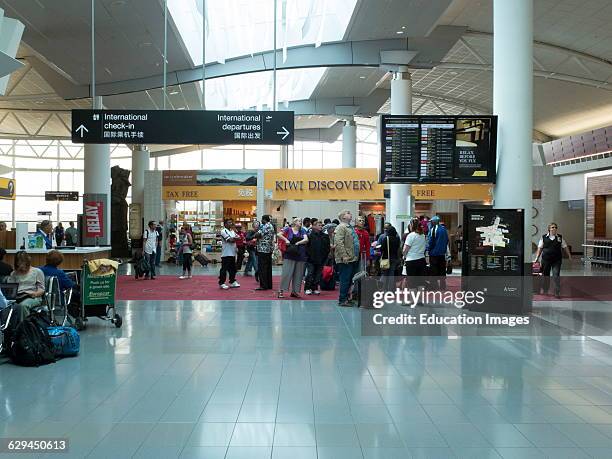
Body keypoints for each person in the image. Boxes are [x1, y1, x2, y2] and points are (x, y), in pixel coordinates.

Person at [534, 222, 572, 298]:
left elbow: (565, 247)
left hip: (556, 260)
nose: (554, 229)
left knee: (556, 275)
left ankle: (557, 292)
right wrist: (537, 258)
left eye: (555, 227)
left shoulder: (560, 238)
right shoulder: (544, 237)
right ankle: (545, 289)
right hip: (546, 260)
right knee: (546, 275)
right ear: (549, 229)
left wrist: (569, 256)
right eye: (552, 227)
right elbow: (540, 248)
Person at [7, 251, 45, 323]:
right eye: (19, 264)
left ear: (27, 262)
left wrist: (35, 294)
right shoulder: (14, 273)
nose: (21, 266)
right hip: (18, 296)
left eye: (22, 264)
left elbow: (41, 289)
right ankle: (8, 329)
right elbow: (11, 288)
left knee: (23, 306)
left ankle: (25, 328)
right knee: (5, 306)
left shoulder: (37, 272)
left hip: (32, 296)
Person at [277, 218, 309, 298]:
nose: (300, 222)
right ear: (294, 222)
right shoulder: (288, 229)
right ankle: (281, 290)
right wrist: (286, 240)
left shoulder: (302, 230)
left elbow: (306, 239)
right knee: (286, 273)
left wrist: (298, 242)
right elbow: (278, 234)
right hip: (289, 254)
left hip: (300, 254)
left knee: (299, 274)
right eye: (299, 221)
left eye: (301, 221)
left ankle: (295, 291)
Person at [334, 210, 360, 307]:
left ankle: (346, 297)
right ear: (343, 217)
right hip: (346, 258)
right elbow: (339, 242)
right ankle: (342, 299)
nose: (350, 214)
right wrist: (344, 255)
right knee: (345, 279)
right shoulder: (341, 227)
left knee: (349, 279)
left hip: (352, 257)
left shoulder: (350, 227)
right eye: (348, 213)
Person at [304, 220, 330, 295]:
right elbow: (306, 247)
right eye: (319, 225)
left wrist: (325, 256)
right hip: (311, 259)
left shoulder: (325, 236)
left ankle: (314, 288)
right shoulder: (309, 236)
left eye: (321, 225)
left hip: (321, 259)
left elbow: (327, 247)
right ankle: (307, 288)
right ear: (314, 226)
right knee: (310, 273)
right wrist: (308, 256)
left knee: (318, 274)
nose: (321, 226)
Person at [403, 218, 427, 289]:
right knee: (420, 281)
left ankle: (413, 299)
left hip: (411, 261)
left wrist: (405, 256)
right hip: (421, 260)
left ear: (411, 225)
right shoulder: (422, 235)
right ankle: (419, 298)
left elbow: (405, 250)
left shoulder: (410, 236)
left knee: (412, 282)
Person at [427, 215, 449, 289]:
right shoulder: (443, 229)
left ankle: (434, 286)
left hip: (434, 253)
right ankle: (443, 285)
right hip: (442, 253)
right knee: (442, 269)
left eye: (431, 222)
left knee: (434, 270)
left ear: (434, 222)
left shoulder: (433, 229)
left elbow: (431, 241)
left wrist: (428, 249)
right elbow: (447, 241)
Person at [254, 215, 275, 291]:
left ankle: (263, 285)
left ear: (264, 219)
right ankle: (268, 284)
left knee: (262, 268)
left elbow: (257, 235)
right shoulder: (271, 226)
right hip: (268, 249)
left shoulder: (265, 226)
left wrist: (256, 234)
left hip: (263, 249)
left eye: (262, 219)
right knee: (268, 268)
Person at [378, 225, 401, 291]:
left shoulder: (386, 238)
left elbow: (382, 249)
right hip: (394, 258)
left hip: (386, 258)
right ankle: (390, 289)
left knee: (384, 274)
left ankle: (381, 289)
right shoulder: (397, 239)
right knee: (391, 274)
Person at [219, 218, 240, 290]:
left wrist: (234, 238)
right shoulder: (223, 231)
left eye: (231, 222)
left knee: (233, 269)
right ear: (225, 224)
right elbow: (230, 240)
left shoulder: (232, 231)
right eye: (228, 222)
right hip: (226, 253)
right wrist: (234, 238)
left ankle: (232, 281)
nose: (230, 224)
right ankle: (222, 283)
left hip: (233, 253)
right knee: (224, 269)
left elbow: (239, 237)